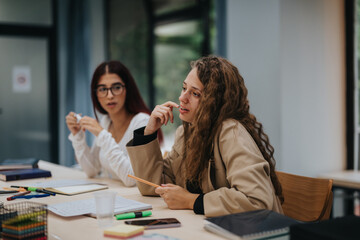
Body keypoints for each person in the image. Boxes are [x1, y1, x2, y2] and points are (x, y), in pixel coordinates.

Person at [126, 55, 283, 217]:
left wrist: (191, 201)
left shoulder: (231, 132)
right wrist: (148, 133)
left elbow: (257, 200)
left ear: (215, 101)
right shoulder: (186, 132)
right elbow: (153, 186)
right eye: (184, 88)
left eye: (195, 94)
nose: (182, 98)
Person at [66, 60, 162, 186]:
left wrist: (102, 134)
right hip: (113, 195)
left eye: (116, 87)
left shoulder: (142, 122)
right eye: (102, 89)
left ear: (127, 89)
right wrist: (78, 135)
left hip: (137, 200)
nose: (110, 95)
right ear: (96, 94)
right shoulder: (106, 121)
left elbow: (132, 178)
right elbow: (92, 170)